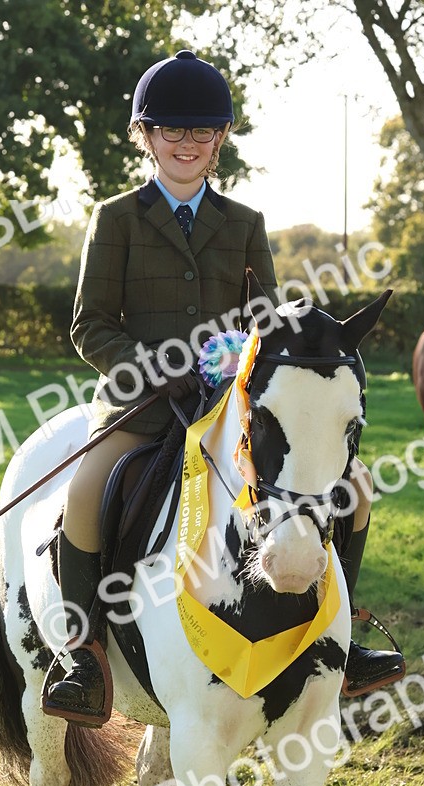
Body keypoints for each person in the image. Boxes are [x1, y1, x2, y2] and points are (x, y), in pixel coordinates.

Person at [45, 49, 403, 725]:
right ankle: (80, 654)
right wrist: (155, 368)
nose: (186, 144)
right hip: (144, 403)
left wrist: (243, 364)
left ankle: (344, 641)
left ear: (221, 140)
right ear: (145, 137)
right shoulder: (115, 218)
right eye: (171, 131)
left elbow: (266, 322)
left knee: (355, 492)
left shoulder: (244, 224)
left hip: (230, 406)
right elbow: (90, 327)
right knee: (86, 489)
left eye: (201, 132)